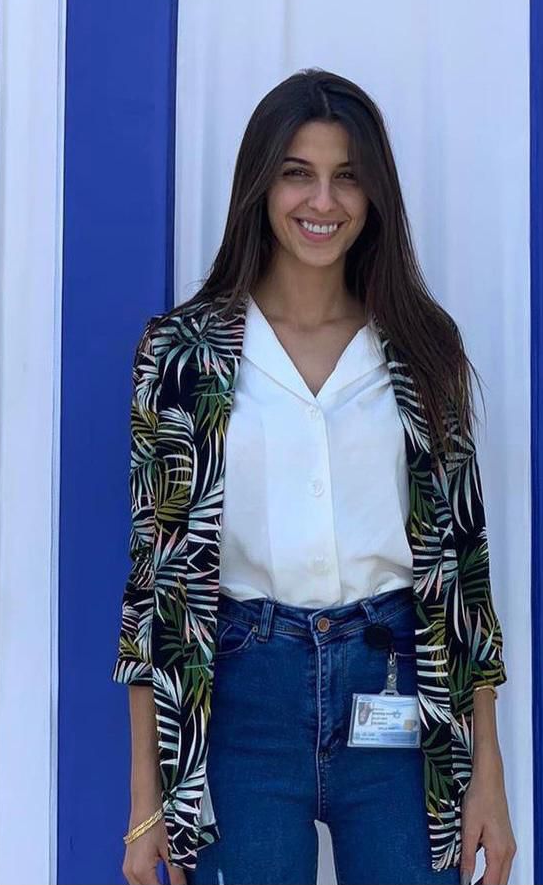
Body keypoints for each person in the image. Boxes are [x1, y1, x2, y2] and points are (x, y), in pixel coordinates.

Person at [114, 69, 516, 885]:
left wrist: (488, 776)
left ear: (374, 195)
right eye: (297, 172)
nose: (322, 200)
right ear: (261, 186)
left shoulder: (421, 347)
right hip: (244, 699)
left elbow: (464, 575)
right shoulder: (182, 355)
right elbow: (152, 588)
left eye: (347, 176)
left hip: (396, 686)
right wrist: (147, 804)